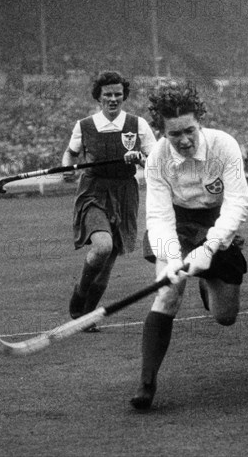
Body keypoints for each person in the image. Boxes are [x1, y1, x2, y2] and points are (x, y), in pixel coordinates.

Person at [130, 82, 248, 410]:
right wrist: (171, 257)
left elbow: (237, 204)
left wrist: (210, 247)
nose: (184, 140)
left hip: (218, 221)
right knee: (168, 293)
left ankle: (207, 281)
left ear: (200, 121)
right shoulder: (157, 159)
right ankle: (147, 382)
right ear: (162, 132)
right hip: (178, 224)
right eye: (174, 134)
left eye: (189, 131)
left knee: (225, 316)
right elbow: (158, 215)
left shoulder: (224, 146)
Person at [62, 71, 157, 331]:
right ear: (99, 97)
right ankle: (80, 292)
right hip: (93, 190)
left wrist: (141, 159)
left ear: (123, 96)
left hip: (125, 193)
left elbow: (158, 163)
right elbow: (70, 155)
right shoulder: (85, 125)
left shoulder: (138, 125)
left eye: (118, 94)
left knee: (107, 263)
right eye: (108, 95)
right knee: (102, 246)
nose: (113, 99)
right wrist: (67, 169)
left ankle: (87, 317)